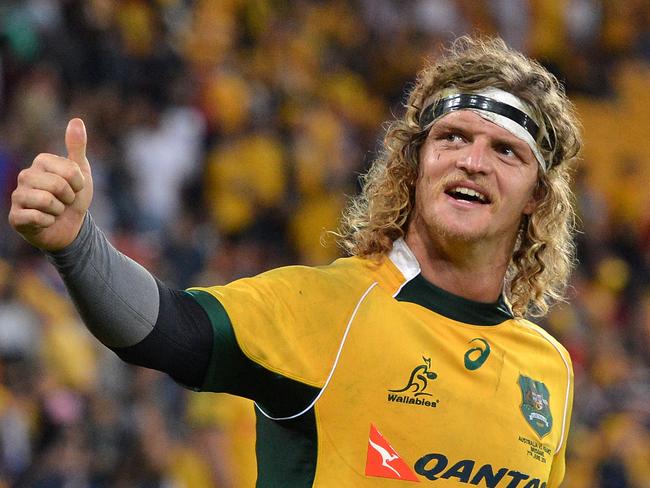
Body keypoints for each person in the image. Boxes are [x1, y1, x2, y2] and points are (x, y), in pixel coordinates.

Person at [9, 36, 581, 487]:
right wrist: (75, 242)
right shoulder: (331, 307)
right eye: (452, 138)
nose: (472, 162)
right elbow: (166, 329)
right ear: (416, 166)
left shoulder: (549, 370)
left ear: (538, 194)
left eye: (505, 150)